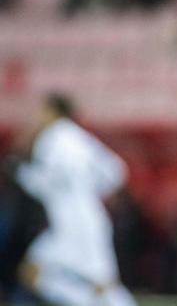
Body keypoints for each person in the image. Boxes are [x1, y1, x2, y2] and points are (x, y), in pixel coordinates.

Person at [13, 93, 136, 306]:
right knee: (100, 283)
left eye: (41, 111)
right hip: (89, 217)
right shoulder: (80, 137)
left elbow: (49, 183)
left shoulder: (52, 137)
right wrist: (89, 192)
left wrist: (23, 174)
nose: (37, 116)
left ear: (53, 111)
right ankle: (86, 301)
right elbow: (116, 171)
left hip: (70, 224)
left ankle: (87, 301)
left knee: (34, 273)